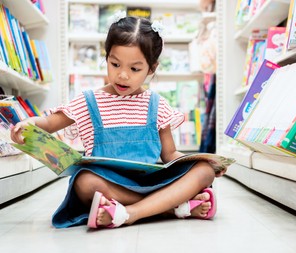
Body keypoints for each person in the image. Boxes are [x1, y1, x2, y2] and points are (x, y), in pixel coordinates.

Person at [11, 16, 226, 229]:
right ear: (106, 58)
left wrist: (204, 161)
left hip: (152, 184)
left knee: (204, 171)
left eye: (135, 69)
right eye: (115, 64)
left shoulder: (157, 104)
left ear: (151, 69)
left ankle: (130, 212)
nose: (122, 75)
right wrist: (29, 125)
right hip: (110, 184)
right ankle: (172, 207)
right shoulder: (89, 101)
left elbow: (169, 155)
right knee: (84, 182)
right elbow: (49, 123)